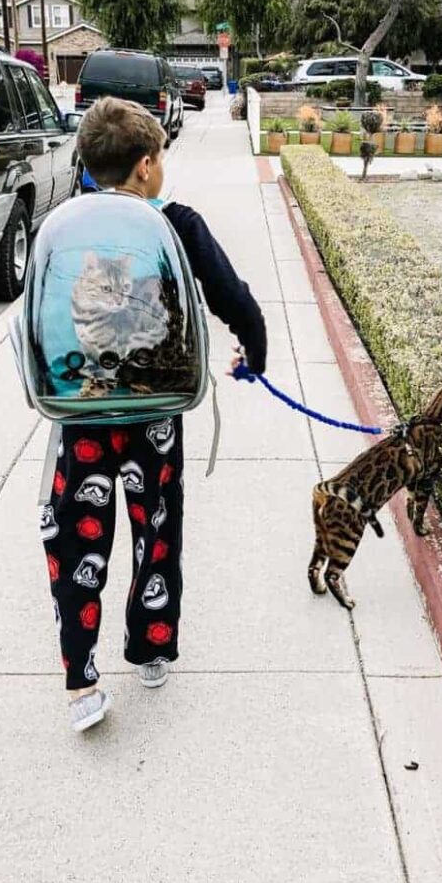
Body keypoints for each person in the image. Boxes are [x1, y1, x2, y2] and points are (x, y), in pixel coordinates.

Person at [43, 97, 266, 732]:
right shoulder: (176, 222)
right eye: (160, 156)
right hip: (155, 412)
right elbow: (233, 296)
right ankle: (150, 648)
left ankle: (80, 680)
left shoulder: (64, 224)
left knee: (78, 536)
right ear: (145, 166)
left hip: (83, 411)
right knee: (156, 529)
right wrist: (256, 351)